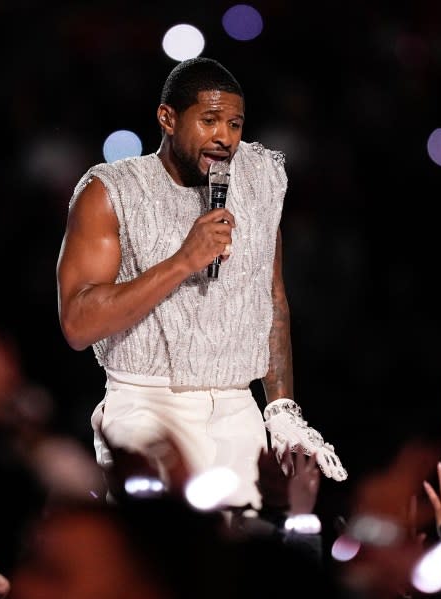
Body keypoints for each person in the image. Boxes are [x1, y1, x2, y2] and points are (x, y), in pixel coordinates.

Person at [55, 56, 346, 512]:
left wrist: (282, 412)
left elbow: (271, 301)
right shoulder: (112, 191)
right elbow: (77, 322)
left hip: (237, 408)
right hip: (146, 406)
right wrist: (183, 261)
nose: (224, 138)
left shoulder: (259, 178)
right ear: (167, 118)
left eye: (234, 123)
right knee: (160, 570)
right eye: (209, 121)